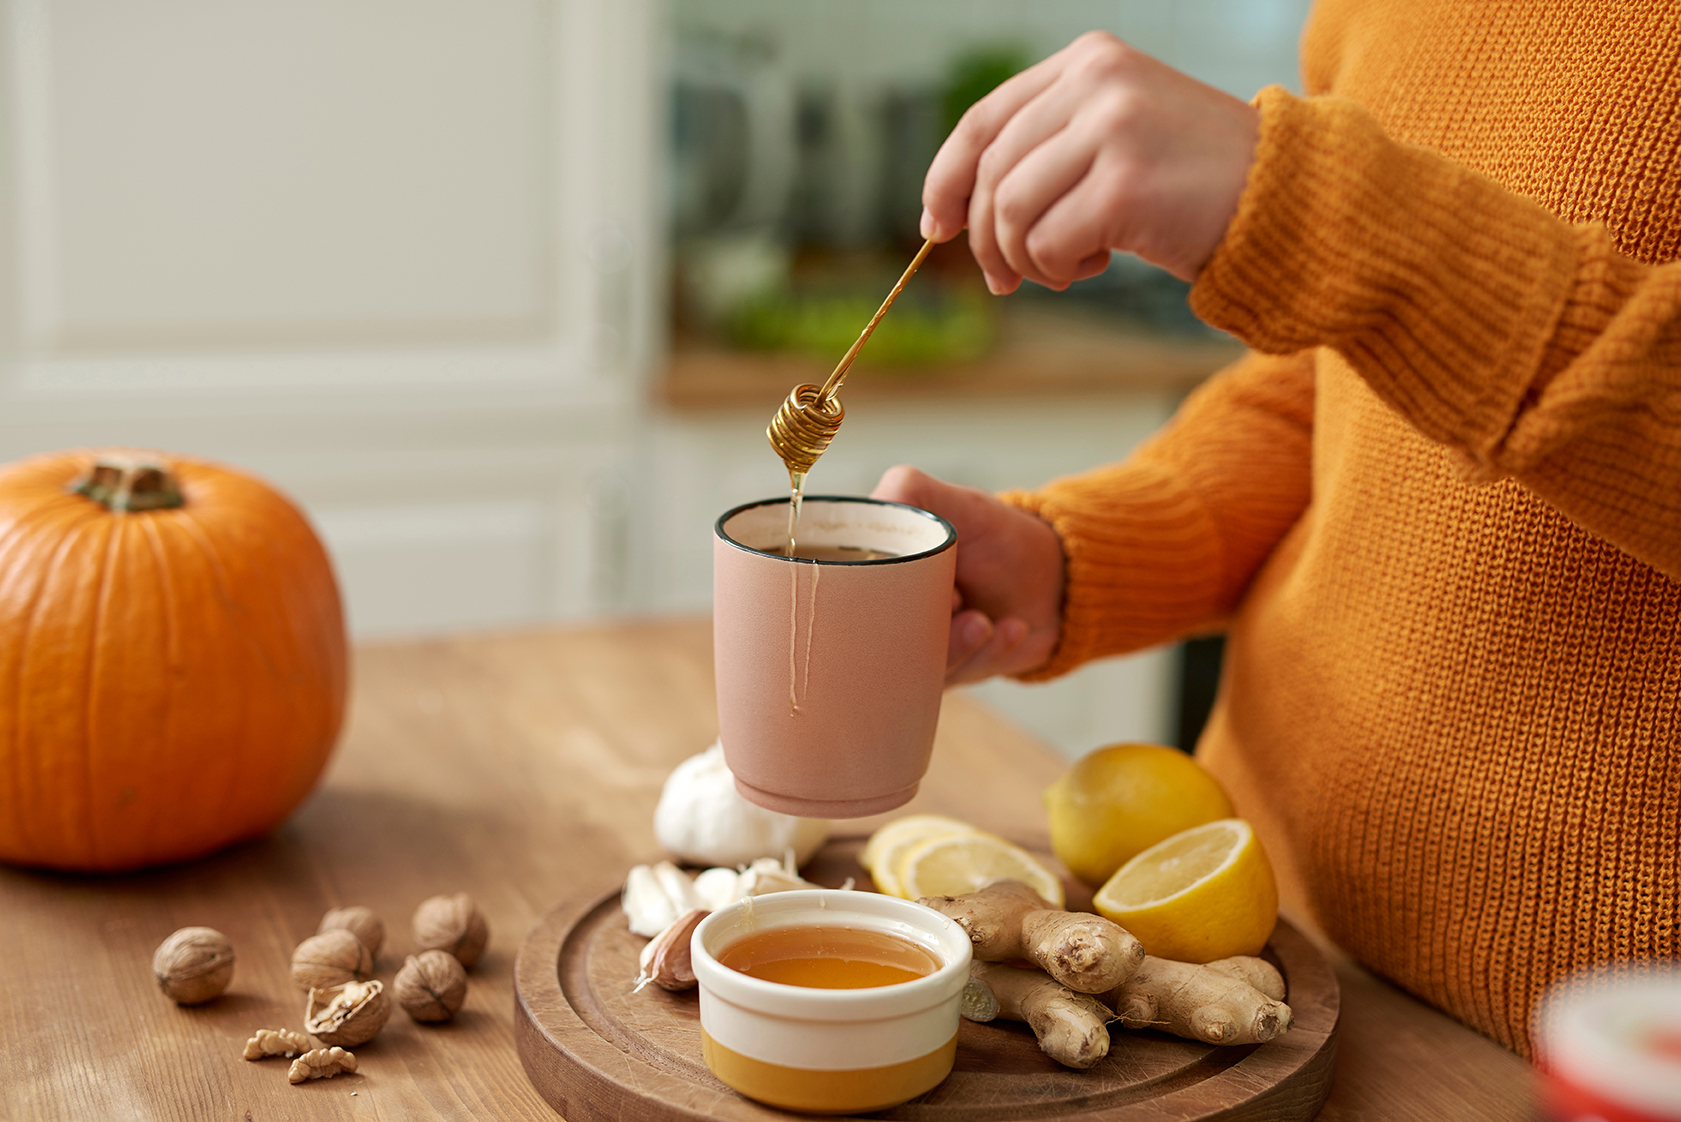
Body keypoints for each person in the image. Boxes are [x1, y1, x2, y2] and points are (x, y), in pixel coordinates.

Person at [872, 7, 1681, 1057]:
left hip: (1596, 1054)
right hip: (1254, 967)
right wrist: (1076, 557)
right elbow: (1331, 391)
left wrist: (1329, 219)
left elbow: (1383, 278)